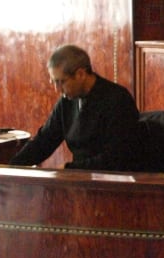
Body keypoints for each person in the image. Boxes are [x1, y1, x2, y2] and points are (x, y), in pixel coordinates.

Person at [10, 44, 144, 171]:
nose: (57, 89)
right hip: (79, 177)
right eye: (54, 82)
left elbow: (117, 158)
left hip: (112, 180)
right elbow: (44, 140)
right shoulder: (67, 101)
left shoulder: (117, 99)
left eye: (61, 82)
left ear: (80, 74)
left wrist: (70, 169)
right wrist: (11, 167)